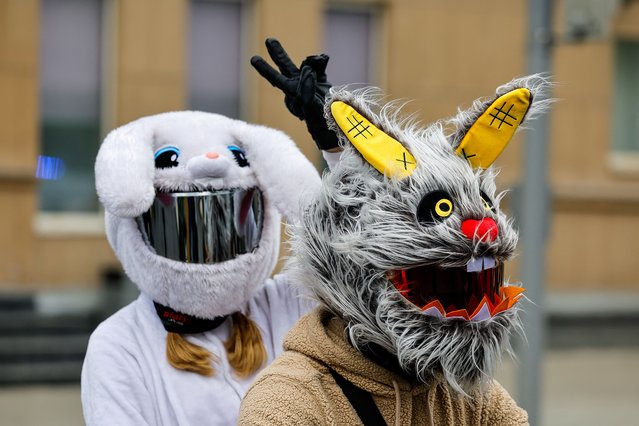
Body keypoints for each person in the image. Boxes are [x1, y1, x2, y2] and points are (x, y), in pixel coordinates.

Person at [240, 39, 551, 424]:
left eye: (476, 283)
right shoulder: (290, 402)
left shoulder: (467, 397)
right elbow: (369, 222)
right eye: (447, 285)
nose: (469, 309)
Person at [81, 110, 320, 425]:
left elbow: (364, 266)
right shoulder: (119, 344)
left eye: (231, 225)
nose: (210, 253)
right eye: (184, 229)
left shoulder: (283, 302)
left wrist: (338, 150)